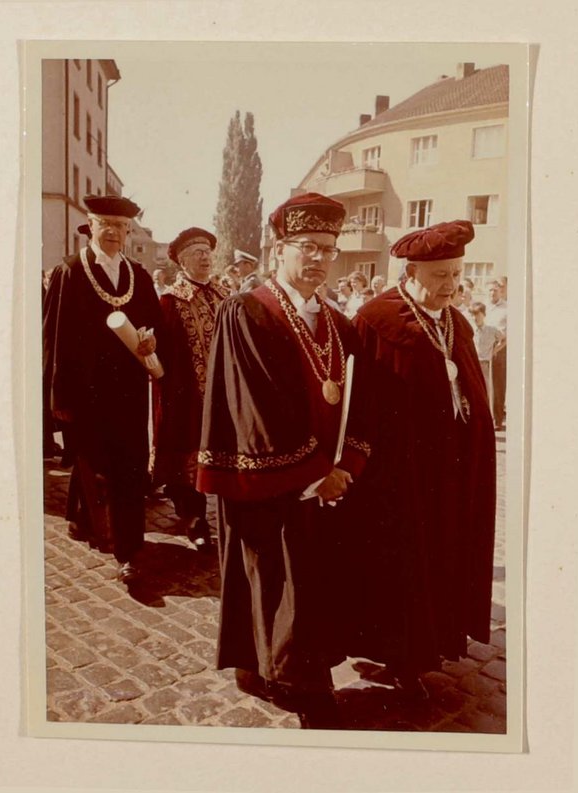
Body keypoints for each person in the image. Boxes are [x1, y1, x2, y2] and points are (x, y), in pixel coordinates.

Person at [196, 192, 371, 728]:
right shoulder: (248, 311)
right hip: (269, 477)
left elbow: (359, 400)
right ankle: (301, 687)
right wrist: (316, 473)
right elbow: (253, 405)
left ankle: (265, 669)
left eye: (328, 248)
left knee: (309, 581)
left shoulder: (339, 323)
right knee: (273, 576)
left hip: (323, 481)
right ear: (279, 249)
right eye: (306, 246)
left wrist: (346, 467)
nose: (318, 258)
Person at [345, 219, 496, 699]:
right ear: (411, 274)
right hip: (399, 478)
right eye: (440, 276)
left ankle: (437, 642)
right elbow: (360, 406)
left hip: (449, 475)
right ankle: (399, 658)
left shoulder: (457, 322)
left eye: (456, 275)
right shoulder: (375, 320)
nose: (451, 286)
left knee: (442, 559)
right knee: (401, 568)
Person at [43, 194, 163, 584]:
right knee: (93, 465)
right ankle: (86, 520)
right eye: (106, 224)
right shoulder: (70, 271)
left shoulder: (138, 275)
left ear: (128, 232)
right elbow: (53, 337)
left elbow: (154, 324)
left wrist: (151, 340)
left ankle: (129, 552)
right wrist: (58, 397)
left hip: (129, 392)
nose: (113, 232)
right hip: (85, 393)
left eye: (121, 226)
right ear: (90, 226)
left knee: (129, 468)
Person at [152, 227, 228, 549]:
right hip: (187, 397)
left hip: (226, 395)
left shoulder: (225, 295)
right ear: (182, 261)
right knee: (189, 459)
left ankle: (228, 518)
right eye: (197, 253)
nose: (205, 258)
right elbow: (161, 353)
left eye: (207, 253)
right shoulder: (170, 301)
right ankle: (195, 519)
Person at [469, 301, 503, 405]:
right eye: (473, 315)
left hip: (485, 365)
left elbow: (504, 339)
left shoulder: (491, 330)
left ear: (484, 314)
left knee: (486, 392)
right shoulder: (470, 330)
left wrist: (494, 351)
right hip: (472, 365)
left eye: (478, 314)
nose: (475, 318)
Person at [486, 280, 508, 431]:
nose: (492, 293)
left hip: (499, 348)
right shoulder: (483, 307)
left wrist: (496, 349)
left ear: (500, 291)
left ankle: (497, 419)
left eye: (495, 290)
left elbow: (508, 334)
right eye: (490, 290)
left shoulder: (507, 308)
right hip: (483, 348)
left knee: (498, 384)